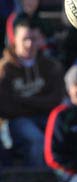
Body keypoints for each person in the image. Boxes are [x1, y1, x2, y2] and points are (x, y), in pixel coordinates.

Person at [0, 15, 63, 167]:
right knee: (36, 139)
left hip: (46, 116)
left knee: (62, 132)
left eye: (33, 39)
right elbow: (6, 107)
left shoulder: (50, 66)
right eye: (25, 39)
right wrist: (39, 102)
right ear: (14, 39)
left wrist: (22, 101)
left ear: (40, 39)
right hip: (16, 121)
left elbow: (56, 99)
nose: (29, 44)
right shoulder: (5, 69)